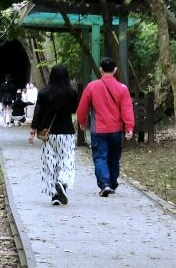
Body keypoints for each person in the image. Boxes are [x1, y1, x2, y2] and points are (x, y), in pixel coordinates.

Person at [76, 57, 135, 197]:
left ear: (101, 70)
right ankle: (113, 183)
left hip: (99, 130)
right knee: (114, 157)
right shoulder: (122, 88)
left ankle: (105, 184)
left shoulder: (92, 86)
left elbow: (82, 107)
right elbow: (127, 110)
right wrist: (129, 127)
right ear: (115, 70)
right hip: (116, 130)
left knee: (100, 157)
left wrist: (82, 120)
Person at [29, 65, 79, 205]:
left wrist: (33, 131)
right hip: (67, 132)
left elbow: (38, 112)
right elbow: (74, 109)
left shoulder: (44, 93)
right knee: (66, 160)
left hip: (48, 133)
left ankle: (55, 194)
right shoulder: (72, 93)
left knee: (51, 161)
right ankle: (62, 183)